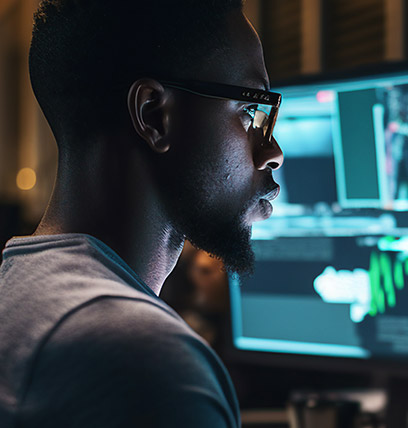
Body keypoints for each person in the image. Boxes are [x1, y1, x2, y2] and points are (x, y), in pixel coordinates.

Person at [0, 0, 283, 426]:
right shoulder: (142, 357)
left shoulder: (20, 295)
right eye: (248, 110)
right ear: (154, 115)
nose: (272, 151)